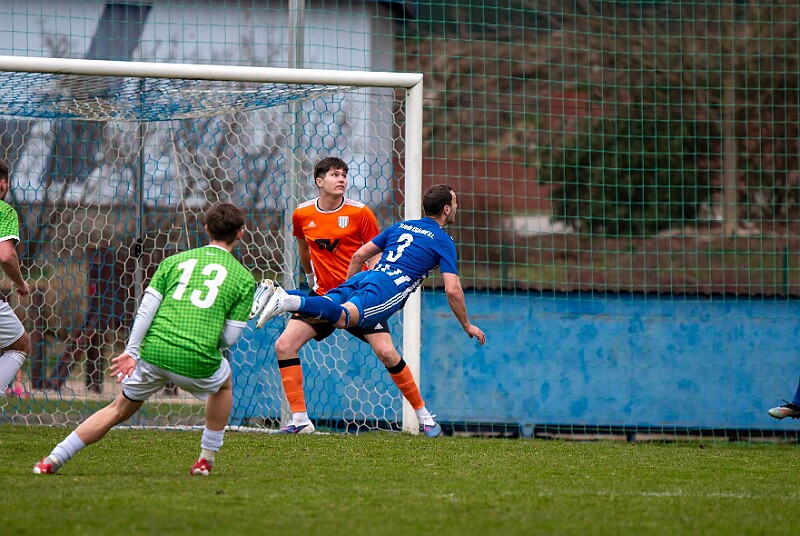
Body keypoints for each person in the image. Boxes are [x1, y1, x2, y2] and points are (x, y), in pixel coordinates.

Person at [33, 202, 256, 476]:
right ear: (241, 233)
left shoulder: (173, 262)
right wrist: (203, 336)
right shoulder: (244, 279)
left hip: (154, 353)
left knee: (117, 409)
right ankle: (205, 459)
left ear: (206, 228)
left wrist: (131, 352)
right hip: (197, 359)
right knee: (223, 386)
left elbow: (146, 310)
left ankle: (52, 459)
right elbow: (229, 338)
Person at [253, 183, 486, 437]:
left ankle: (424, 417)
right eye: (455, 202)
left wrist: (351, 289)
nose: (456, 207)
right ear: (446, 209)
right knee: (342, 318)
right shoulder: (443, 241)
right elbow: (452, 289)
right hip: (384, 289)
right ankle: (288, 300)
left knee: (385, 351)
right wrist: (467, 324)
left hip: (362, 279)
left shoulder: (401, 226)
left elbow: (359, 256)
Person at [260, 156, 414, 435]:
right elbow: (303, 248)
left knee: (387, 352)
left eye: (344, 174)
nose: (341, 179)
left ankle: (423, 415)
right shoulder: (302, 214)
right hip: (323, 296)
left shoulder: (361, 213)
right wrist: (310, 279)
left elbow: (375, 255)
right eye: (335, 174)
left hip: (358, 298)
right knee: (284, 345)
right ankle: (300, 420)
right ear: (319, 181)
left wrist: (376, 290)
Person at [0, 161, 32, 397]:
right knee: (20, 345)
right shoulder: (4, 211)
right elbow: (6, 255)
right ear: (3, 184)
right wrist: (20, 283)